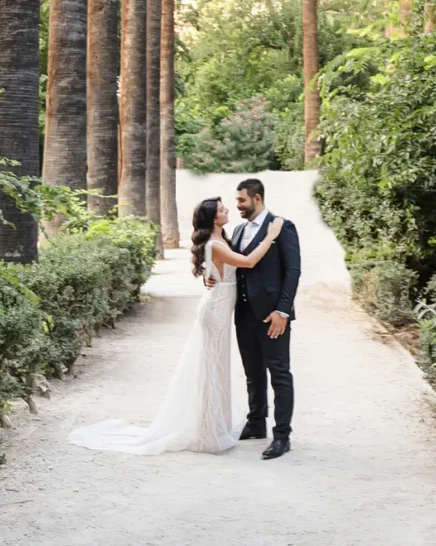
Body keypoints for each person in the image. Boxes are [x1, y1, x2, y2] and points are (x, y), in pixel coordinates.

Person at [67, 196, 283, 456]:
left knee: (217, 368)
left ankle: (214, 424)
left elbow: (220, 270)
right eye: (222, 209)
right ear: (213, 218)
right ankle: (208, 431)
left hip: (221, 309)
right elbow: (248, 262)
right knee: (211, 369)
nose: (227, 210)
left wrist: (210, 276)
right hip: (215, 313)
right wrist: (270, 236)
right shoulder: (215, 243)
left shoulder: (221, 239)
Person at [230, 177, 301, 460]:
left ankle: (281, 436)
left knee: (279, 374)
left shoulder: (283, 227)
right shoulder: (237, 231)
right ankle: (256, 423)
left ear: (256, 199)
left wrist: (283, 311)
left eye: (242, 201)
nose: (238, 206)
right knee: (252, 372)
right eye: (237, 201)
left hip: (273, 315)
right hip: (244, 313)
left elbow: (293, 272)